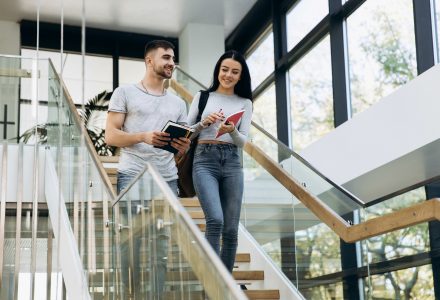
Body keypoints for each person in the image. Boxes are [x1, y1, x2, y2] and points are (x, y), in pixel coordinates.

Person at [105, 39, 191, 299]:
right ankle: (129, 295)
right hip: (132, 175)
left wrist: (182, 145)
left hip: (167, 180)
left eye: (173, 58)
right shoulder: (125, 92)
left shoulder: (178, 104)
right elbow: (110, 136)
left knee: (160, 249)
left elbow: (182, 148)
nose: (171, 63)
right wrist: (143, 136)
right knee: (129, 245)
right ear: (149, 60)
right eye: (166, 57)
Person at [187, 50, 253, 275]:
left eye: (235, 72)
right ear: (218, 71)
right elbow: (188, 134)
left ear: (240, 76)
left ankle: (224, 288)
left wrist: (232, 130)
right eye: (225, 70)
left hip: (233, 162)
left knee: (231, 229)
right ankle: (213, 281)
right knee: (215, 220)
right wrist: (203, 124)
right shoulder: (203, 97)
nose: (228, 75)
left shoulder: (245, 102)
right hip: (205, 159)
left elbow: (243, 142)